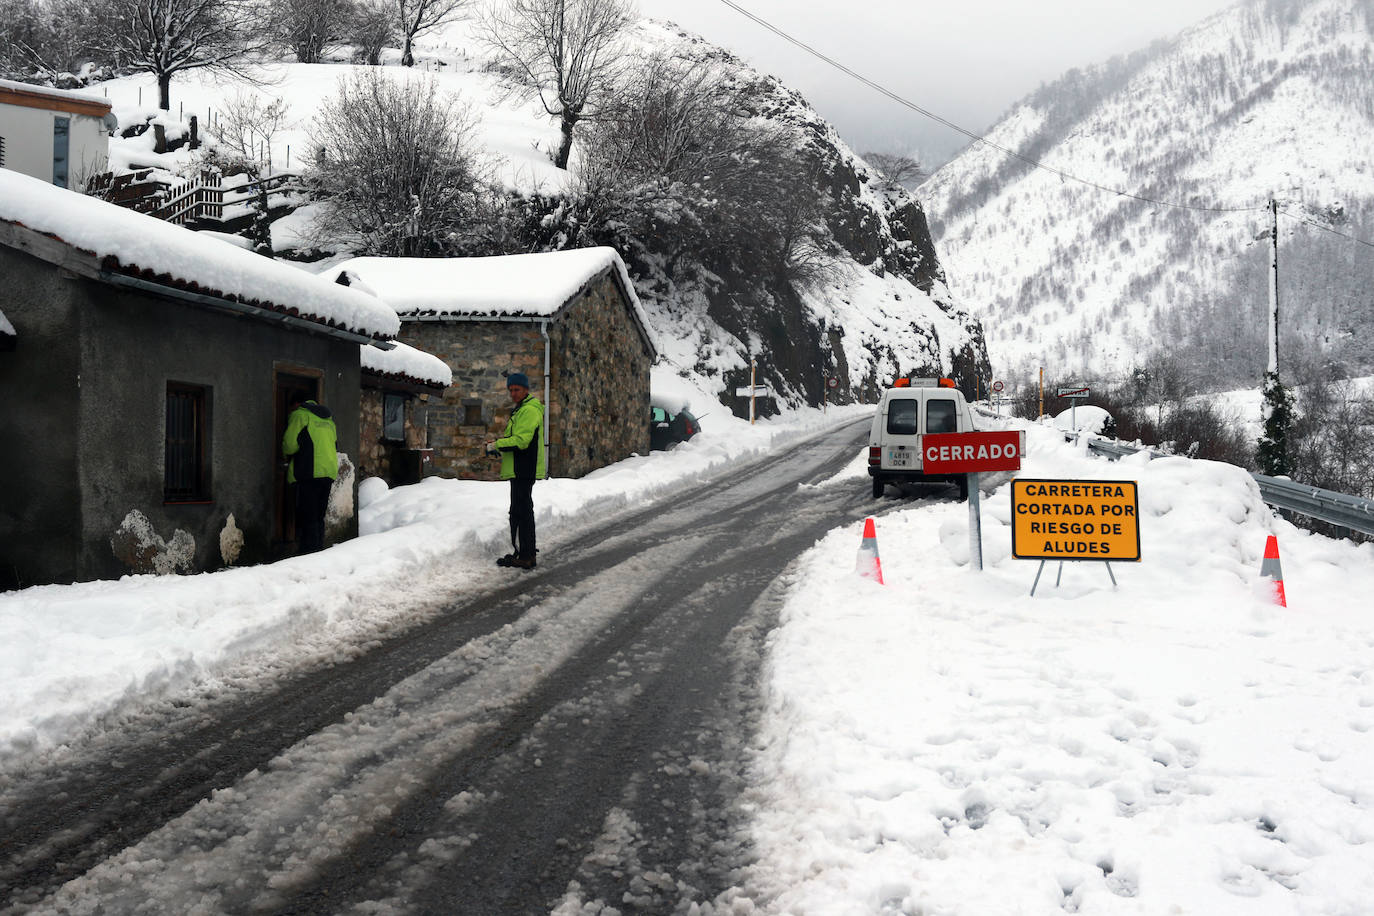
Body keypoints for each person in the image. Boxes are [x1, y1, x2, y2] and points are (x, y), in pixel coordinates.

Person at [486, 372, 545, 569]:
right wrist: (500, 447)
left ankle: (527, 555)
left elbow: (521, 441)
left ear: (526, 389)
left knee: (522, 512)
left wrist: (496, 445)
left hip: (524, 469)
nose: (513, 393)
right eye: (511, 390)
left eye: (517, 389)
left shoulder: (529, 411)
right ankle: (523, 552)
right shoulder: (521, 410)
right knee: (519, 512)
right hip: (519, 469)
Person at [282, 392, 338, 554]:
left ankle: (309, 554)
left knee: (308, 515)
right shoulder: (328, 421)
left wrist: (286, 455)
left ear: (296, 405)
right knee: (318, 516)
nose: (290, 412)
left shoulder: (299, 415)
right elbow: (334, 446)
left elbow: (290, 445)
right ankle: (318, 551)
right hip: (328, 472)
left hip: (309, 471)